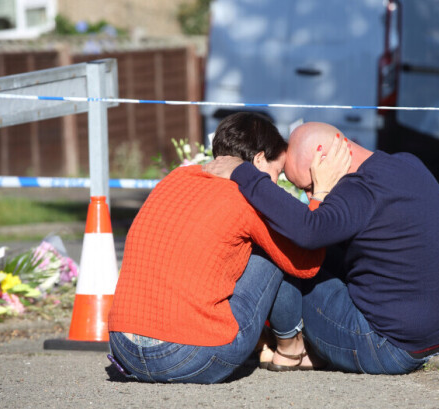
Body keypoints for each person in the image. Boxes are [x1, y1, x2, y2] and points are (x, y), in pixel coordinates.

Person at [204, 121, 439, 375]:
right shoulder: (407, 163)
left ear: (326, 160)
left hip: (388, 347)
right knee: (323, 255)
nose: (309, 197)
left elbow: (307, 232)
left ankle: (290, 348)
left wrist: (243, 173)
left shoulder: (357, 191)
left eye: (309, 186)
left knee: (285, 255)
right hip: (438, 337)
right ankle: (308, 346)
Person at [107, 113, 336, 384]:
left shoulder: (175, 178)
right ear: (260, 161)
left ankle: (264, 341)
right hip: (189, 355)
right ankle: (291, 347)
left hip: (124, 349)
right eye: (276, 175)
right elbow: (305, 262)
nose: (274, 186)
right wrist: (320, 196)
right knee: (278, 246)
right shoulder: (250, 198)